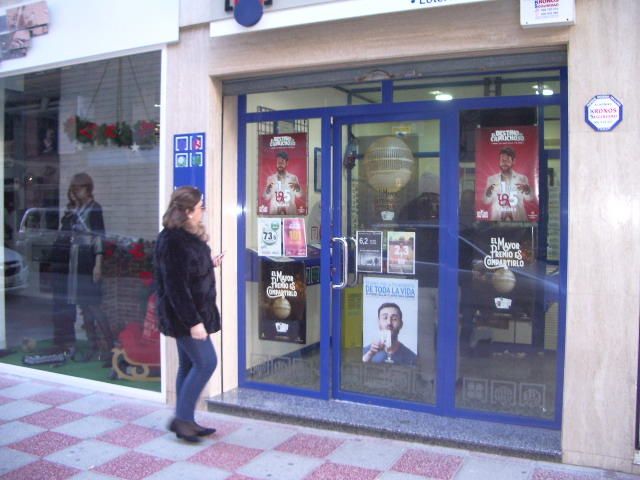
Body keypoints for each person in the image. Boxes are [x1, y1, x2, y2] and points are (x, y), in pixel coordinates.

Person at [155, 186, 223, 443]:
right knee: (206, 362)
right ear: (186, 211)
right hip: (186, 316)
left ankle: (186, 419)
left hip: (192, 314)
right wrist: (194, 323)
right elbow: (175, 287)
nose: (202, 210)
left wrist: (210, 262)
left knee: (188, 364)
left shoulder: (186, 236)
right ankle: (182, 420)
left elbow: (189, 270)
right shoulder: (173, 240)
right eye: (200, 206)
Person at [65, 173, 113, 363]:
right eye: (75, 189)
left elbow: (99, 236)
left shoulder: (95, 208)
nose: (77, 192)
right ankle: (92, 346)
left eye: (80, 188)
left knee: (94, 305)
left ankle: (110, 348)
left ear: (88, 188)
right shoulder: (75, 209)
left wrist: (98, 264)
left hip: (88, 258)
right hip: (76, 258)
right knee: (83, 306)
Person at [482, 147, 533, 221]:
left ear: (513, 161)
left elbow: (529, 198)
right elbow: (486, 201)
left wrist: (527, 190)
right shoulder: (491, 179)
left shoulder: (522, 178)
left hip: (518, 222)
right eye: (502, 160)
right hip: (497, 222)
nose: (504, 163)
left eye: (507, 160)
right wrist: (488, 193)